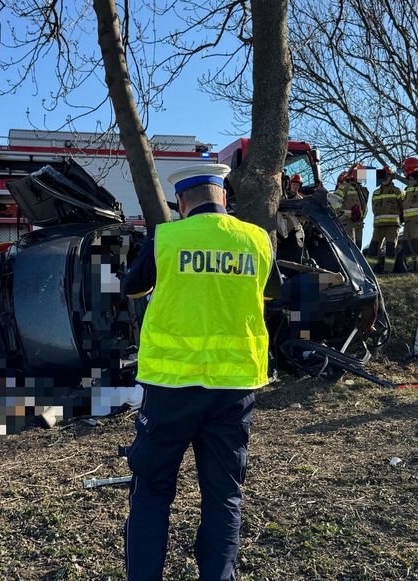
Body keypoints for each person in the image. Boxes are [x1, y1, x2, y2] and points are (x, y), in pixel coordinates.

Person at [122, 163, 283, 581]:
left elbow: (132, 287)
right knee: (224, 494)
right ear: (223, 197)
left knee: (152, 493)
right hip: (234, 387)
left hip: (170, 387)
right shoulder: (258, 240)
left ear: (181, 202)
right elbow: (272, 291)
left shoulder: (166, 238)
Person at [366, 166, 404, 274]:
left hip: (392, 225)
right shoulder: (375, 193)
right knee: (373, 248)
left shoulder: (398, 191)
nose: (384, 179)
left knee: (391, 248)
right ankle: (369, 272)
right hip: (378, 226)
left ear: (391, 177)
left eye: (386, 176)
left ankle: (388, 271)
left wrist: (401, 219)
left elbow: (403, 207)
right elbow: (374, 209)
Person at [334, 166, 366, 247]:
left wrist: (361, 216)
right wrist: (342, 214)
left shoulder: (360, 190)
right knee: (349, 247)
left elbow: (365, 208)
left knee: (358, 248)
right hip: (347, 223)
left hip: (358, 223)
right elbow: (333, 200)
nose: (362, 178)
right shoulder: (345, 187)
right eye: (361, 175)